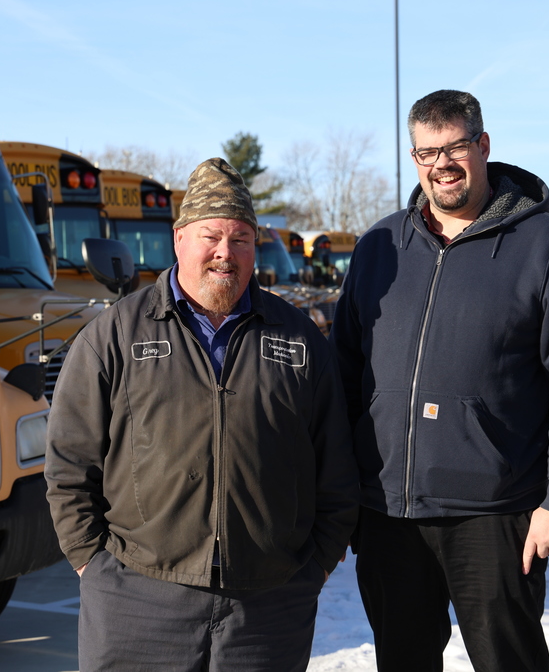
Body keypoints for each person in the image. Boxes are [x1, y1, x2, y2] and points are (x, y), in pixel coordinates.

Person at [329, 90, 549, 672]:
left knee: (509, 662)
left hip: (497, 514)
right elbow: (344, 377)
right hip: (390, 514)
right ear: (414, 159)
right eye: (426, 152)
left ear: (483, 146)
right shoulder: (381, 247)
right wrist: (343, 491)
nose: (442, 164)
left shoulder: (547, 248)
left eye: (455, 146)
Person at [45, 157, 359, 672]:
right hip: (138, 600)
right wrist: (91, 561)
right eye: (211, 235)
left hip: (268, 607)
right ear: (179, 238)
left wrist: (313, 567)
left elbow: (337, 468)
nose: (224, 253)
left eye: (240, 239)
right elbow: (68, 461)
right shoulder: (116, 335)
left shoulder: (299, 339)